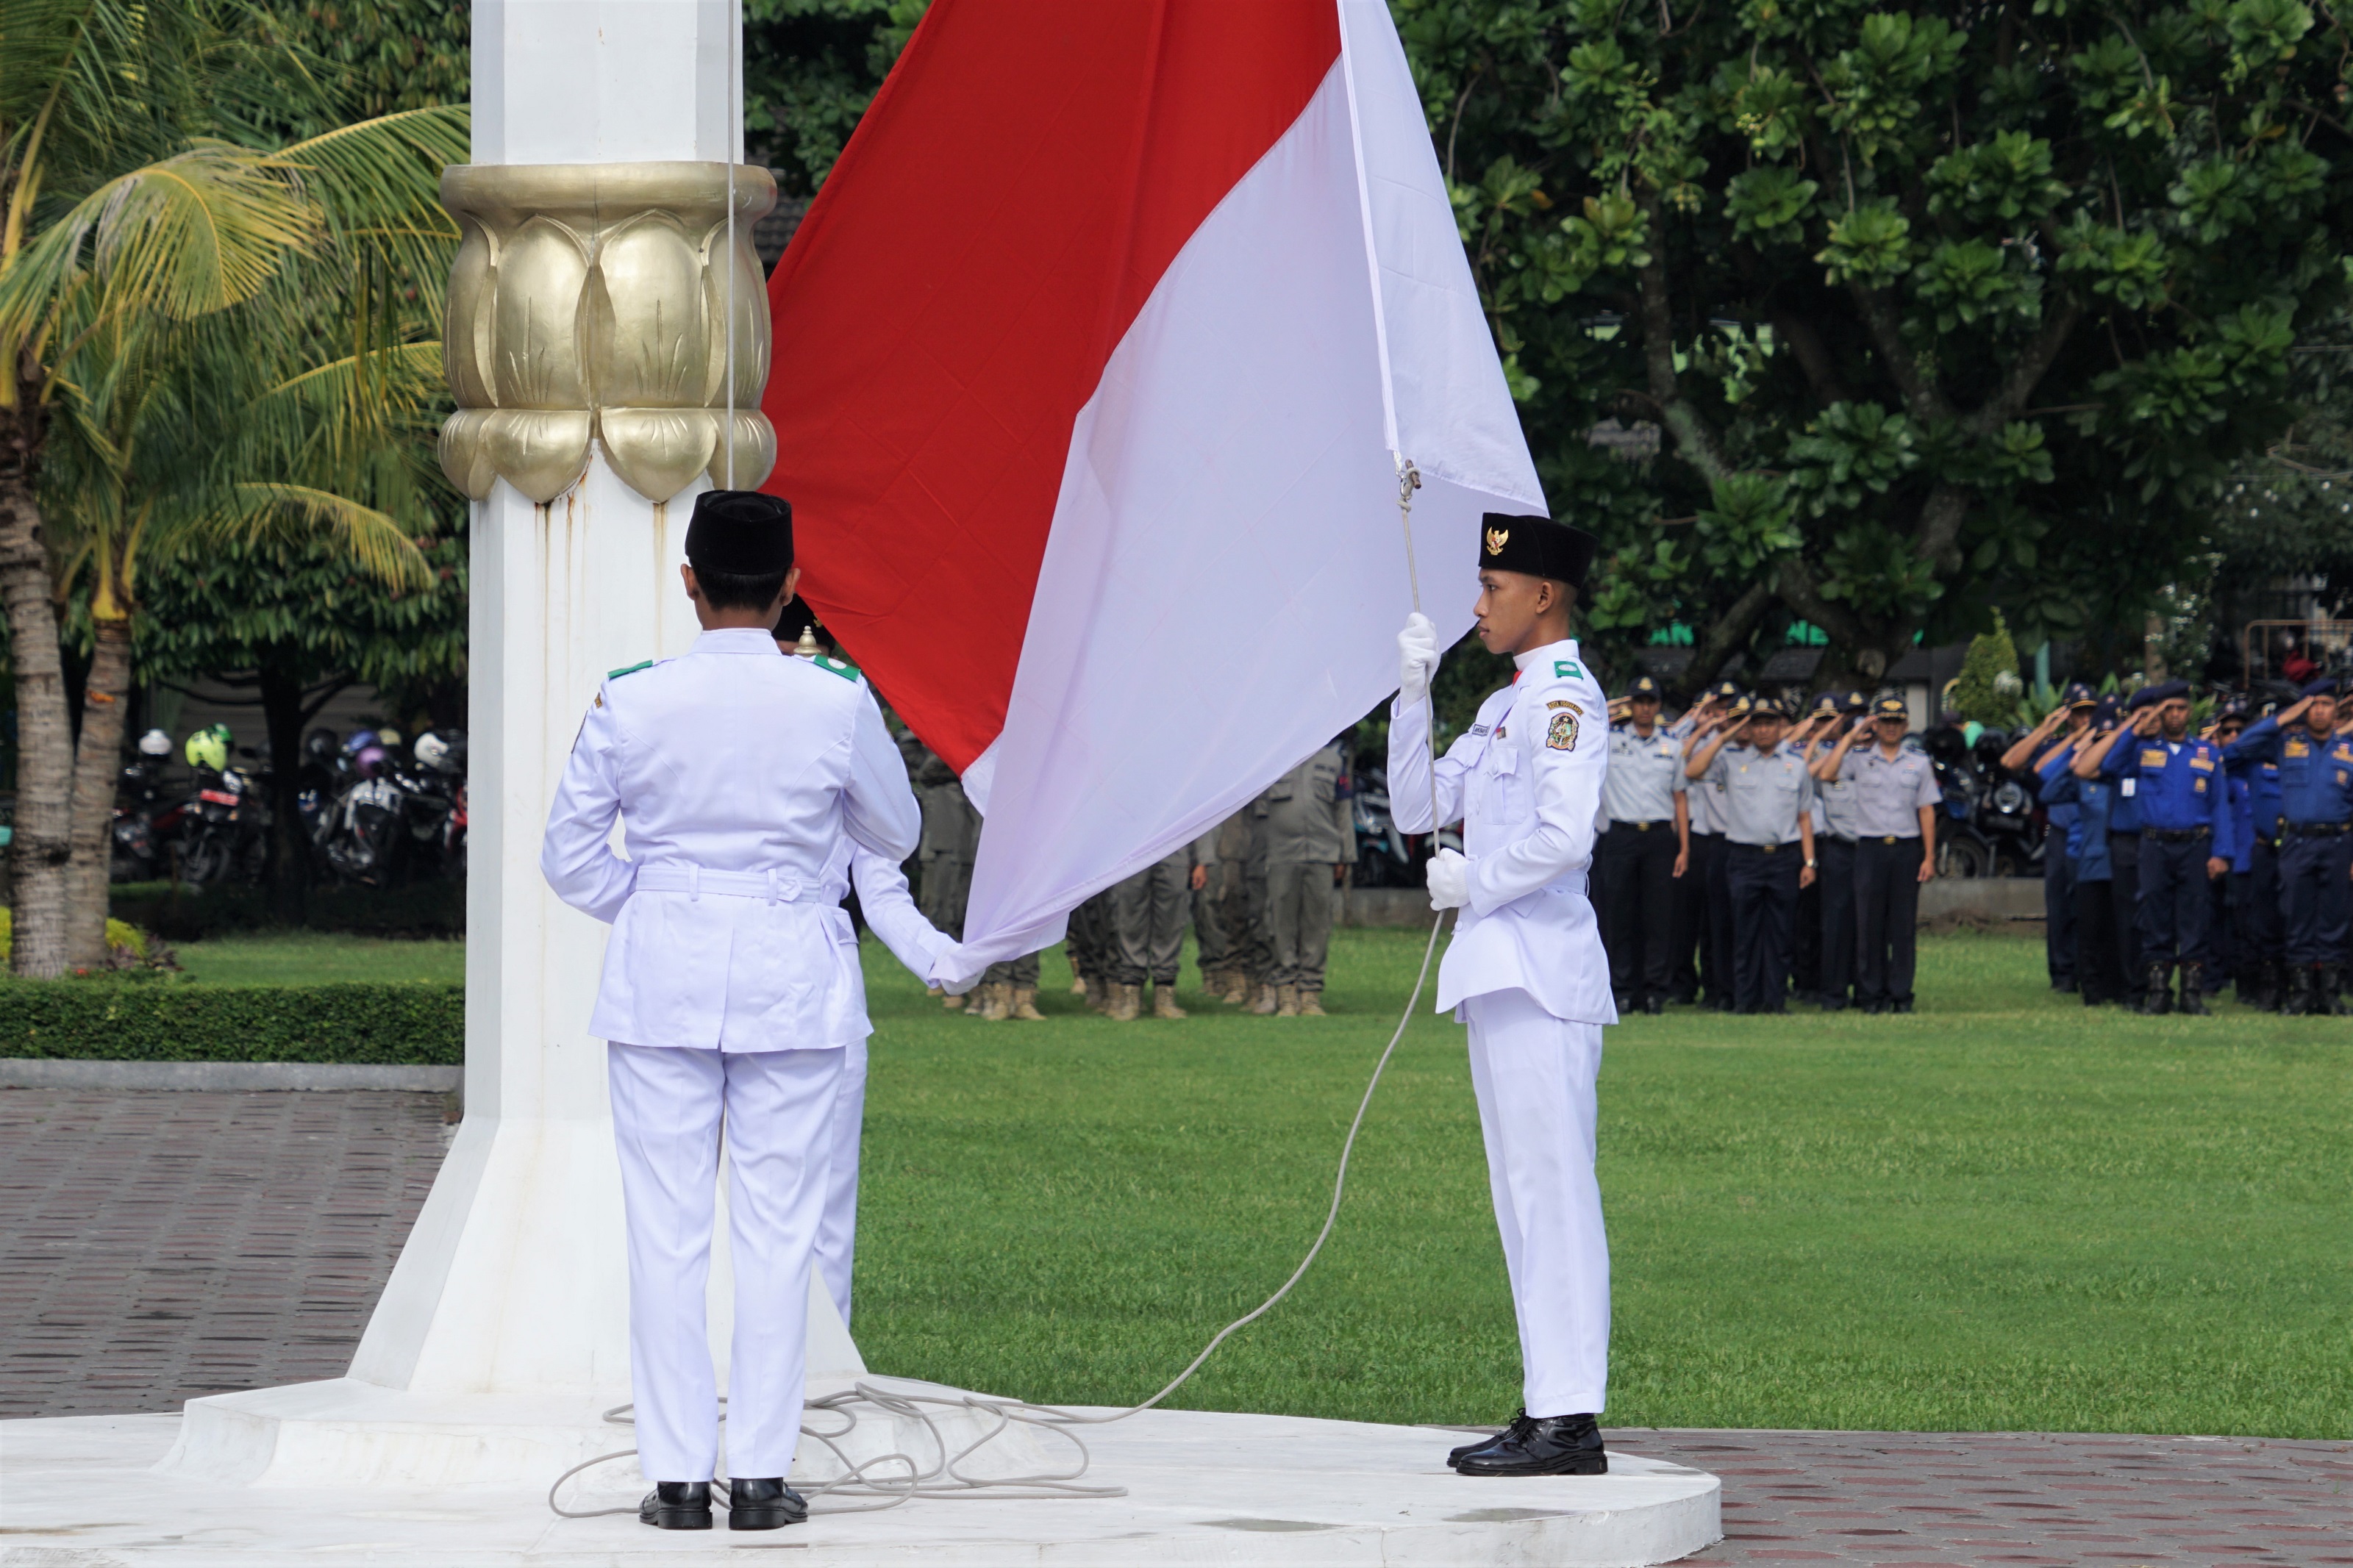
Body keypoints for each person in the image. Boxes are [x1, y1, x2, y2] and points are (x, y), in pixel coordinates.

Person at [540, 490, 919, 1533]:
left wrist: (663, 905)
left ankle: (672, 1481)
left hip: (661, 978)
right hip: (791, 982)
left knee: (664, 1235)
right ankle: (757, 1475)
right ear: (793, 587)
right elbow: (894, 829)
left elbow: (566, 858)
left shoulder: (632, 697)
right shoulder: (836, 697)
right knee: (777, 1233)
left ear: (690, 585)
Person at [1390, 510, 1613, 1478]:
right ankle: (1547, 1401)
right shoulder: (1500, 705)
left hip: (1542, 969)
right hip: (1500, 972)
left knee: (1551, 1195)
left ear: (1543, 595)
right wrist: (1409, 694)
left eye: (1493, 588)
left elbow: (1567, 836)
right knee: (1521, 1198)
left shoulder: (1564, 698)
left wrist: (1477, 881)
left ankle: (1570, 1419)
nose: (1478, 604)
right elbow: (1416, 809)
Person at [2085, 679, 2232, 1014]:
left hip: (2195, 845)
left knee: (2195, 917)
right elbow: (2109, 767)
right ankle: (2157, 992)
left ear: (2190, 712)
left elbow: (2220, 805)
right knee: (2155, 917)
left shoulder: (2207, 753)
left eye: (2181, 709)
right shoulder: (2143, 751)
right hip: (2154, 845)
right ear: (2159, 713)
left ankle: (2192, 994)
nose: (2176, 716)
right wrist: (2136, 728)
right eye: (2169, 710)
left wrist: (2221, 852)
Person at [2224, 679, 2353, 1014]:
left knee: (2333, 917)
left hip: (2339, 840)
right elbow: (2240, 748)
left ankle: (2329, 993)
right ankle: (2301, 992)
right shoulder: (2286, 744)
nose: (2320, 712)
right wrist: (2283, 718)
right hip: (2298, 840)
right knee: (2297, 915)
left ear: (2337, 710)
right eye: (2314, 705)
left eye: (2326, 705)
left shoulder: (2348, 750)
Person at [1685, 695, 1816, 1013]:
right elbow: (1693, 769)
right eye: (1756, 724)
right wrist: (1726, 735)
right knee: (1744, 932)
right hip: (1743, 857)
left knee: (1780, 932)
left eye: (1769, 724)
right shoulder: (1731, 761)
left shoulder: (1796, 766)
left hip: (1784, 856)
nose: (1762, 731)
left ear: (1779, 727)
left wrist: (1809, 861)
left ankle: (1775, 999)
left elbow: (1804, 816)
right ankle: (1746, 1000)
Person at [1815, 695, 1940, 1014]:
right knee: (1868, 925)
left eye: (1897, 722)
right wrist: (1850, 737)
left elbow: (1926, 810)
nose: (1891, 728)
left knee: (1901, 926)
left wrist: (1929, 857)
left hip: (1906, 848)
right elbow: (1827, 774)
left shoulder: (1918, 762)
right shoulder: (1859, 758)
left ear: (1906, 725)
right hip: (1869, 849)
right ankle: (1871, 995)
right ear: (1876, 723)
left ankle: (1900, 994)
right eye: (1885, 721)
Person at [2002, 683, 2096, 991]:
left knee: (2089, 904)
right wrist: (2049, 731)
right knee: (2058, 906)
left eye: (2090, 713)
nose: (2085, 719)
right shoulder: (2056, 744)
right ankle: (2063, 973)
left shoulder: (2104, 743)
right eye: (2079, 713)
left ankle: (2089, 969)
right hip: (2060, 830)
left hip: (2093, 832)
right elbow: (2012, 762)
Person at [1599, 675, 1679, 1014]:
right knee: (1619, 914)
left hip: (1660, 836)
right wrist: (1607, 708)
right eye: (1639, 701)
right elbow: (1584, 726)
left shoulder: (1672, 747)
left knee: (1657, 916)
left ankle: (1654, 990)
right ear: (1630, 705)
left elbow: (1681, 796)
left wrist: (1684, 848)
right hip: (1621, 835)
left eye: (1650, 702)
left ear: (1658, 706)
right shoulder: (1610, 741)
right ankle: (1621, 989)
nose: (1645, 708)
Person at [2038, 706, 2125, 1005]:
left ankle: (2121, 988)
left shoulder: (2123, 776)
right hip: (2091, 864)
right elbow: (2048, 792)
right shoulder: (2083, 780)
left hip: (2123, 864)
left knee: (2121, 931)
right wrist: (2077, 756)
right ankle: (2092, 990)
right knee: (2089, 931)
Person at [1260, 740, 1354, 1016]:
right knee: (1280, 926)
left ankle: (1310, 995)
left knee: (1317, 925)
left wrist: (1345, 855)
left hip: (1323, 853)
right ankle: (1286, 995)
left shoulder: (1333, 761)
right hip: (1281, 854)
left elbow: (1344, 811)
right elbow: (1258, 814)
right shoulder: (1273, 760)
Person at [1803, 692, 1866, 1009]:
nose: (1857, 722)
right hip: (1837, 848)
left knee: (1867, 923)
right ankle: (1833, 992)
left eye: (1861, 715)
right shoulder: (1831, 757)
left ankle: (1866, 990)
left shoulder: (1880, 756)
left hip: (1869, 849)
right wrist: (1836, 737)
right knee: (1836, 923)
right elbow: (1806, 775)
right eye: (1849, 716)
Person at [2223, 696, 2287, 1008]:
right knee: (2257, 924)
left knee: (2294, 919)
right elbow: (2229, 755)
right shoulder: (2250, 759)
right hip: (2257, 852)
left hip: (2295, 849)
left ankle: (2295, 986)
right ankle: (2261, 986)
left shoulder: (2300, 756)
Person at [1108, 842, 1202, 1020]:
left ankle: (1165, 995)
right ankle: (1130, 994)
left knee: (1171, 924)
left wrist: (1202, 860)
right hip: (1132, 848)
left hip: (1175, 847)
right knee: (1130, 922)